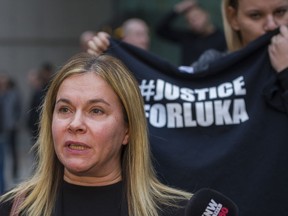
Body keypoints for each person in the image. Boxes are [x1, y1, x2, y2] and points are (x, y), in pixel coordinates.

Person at [0, 53, 191, 216]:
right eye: (65, 109)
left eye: (96, 111)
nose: (75, 124)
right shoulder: (12, 208)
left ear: (127, 130)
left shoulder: (178, 211)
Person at [156, 0, 227, 65]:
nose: (194, 22)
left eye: (196, 17)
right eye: (190, 20)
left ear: (206, 14)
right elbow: (161, 30)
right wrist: (178, 9)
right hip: (187, 77)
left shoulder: (222, 37)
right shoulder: (186, 37)